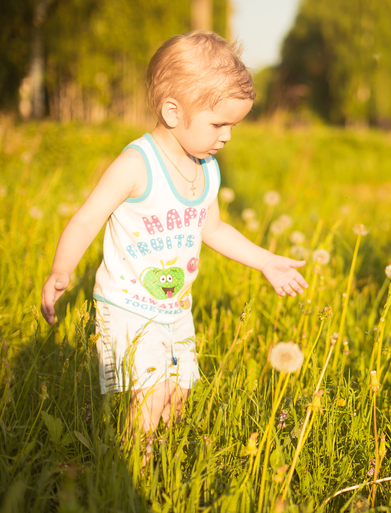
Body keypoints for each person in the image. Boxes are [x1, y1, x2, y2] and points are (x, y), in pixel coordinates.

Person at [40, 31, 308, 458]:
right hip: (127, 306)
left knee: (178, 398)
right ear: (172, 111)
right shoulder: (137, 163)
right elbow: (88, 216)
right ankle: (130, 480)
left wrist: (266, 261)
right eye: (218, 124)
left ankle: (162, 473)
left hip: (175, 309)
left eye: (233, 126)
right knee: (149, 399)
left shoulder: (207, 170)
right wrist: (61, 270)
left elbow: (214, 229)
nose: (227, 137)